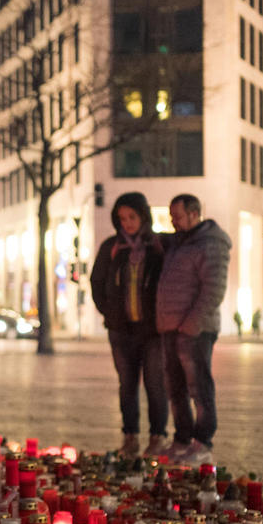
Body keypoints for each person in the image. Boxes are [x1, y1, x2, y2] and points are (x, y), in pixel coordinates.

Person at [90, 192, 168, 459]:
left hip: (152, 331)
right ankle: (130, 437)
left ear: (143, 216)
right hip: (121, 331)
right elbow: (96, 281)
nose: (127, 223)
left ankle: (157, 437)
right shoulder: (112, 246)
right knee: (127, 384)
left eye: (132, 217)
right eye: (122, 218)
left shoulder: (158, 246)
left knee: (156, 383)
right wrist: (109, 312)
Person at [154, 193, 232, 459]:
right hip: (171, 327)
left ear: (194, 213)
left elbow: (214, 288)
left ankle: (202, 442)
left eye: (177, 216)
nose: (173, 221)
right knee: (175, 388)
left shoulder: (210, 244)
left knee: (199, 387)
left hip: (195, 330)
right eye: (171, 216)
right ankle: (182, 438)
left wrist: (192, 323)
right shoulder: (179, 243)